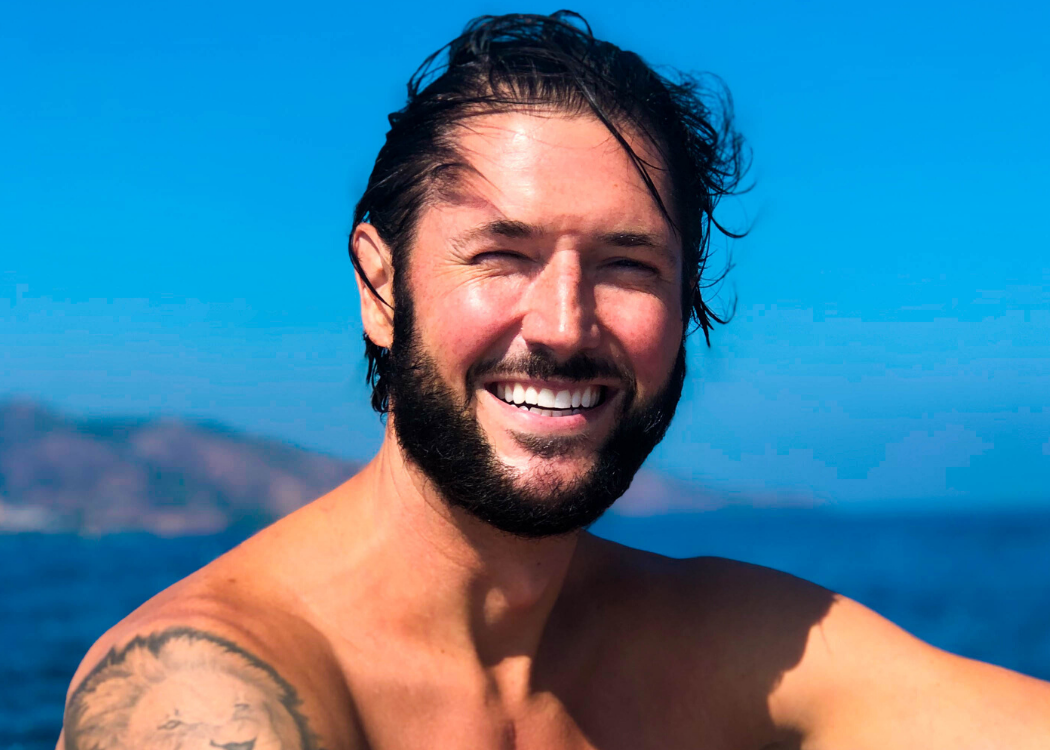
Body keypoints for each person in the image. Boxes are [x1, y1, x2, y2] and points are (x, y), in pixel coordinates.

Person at [60, 12, 1050, 749]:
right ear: (381, 288)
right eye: (502, 256)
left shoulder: (720, 648)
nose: (565, 326)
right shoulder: (206, 691)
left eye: (627, 265)